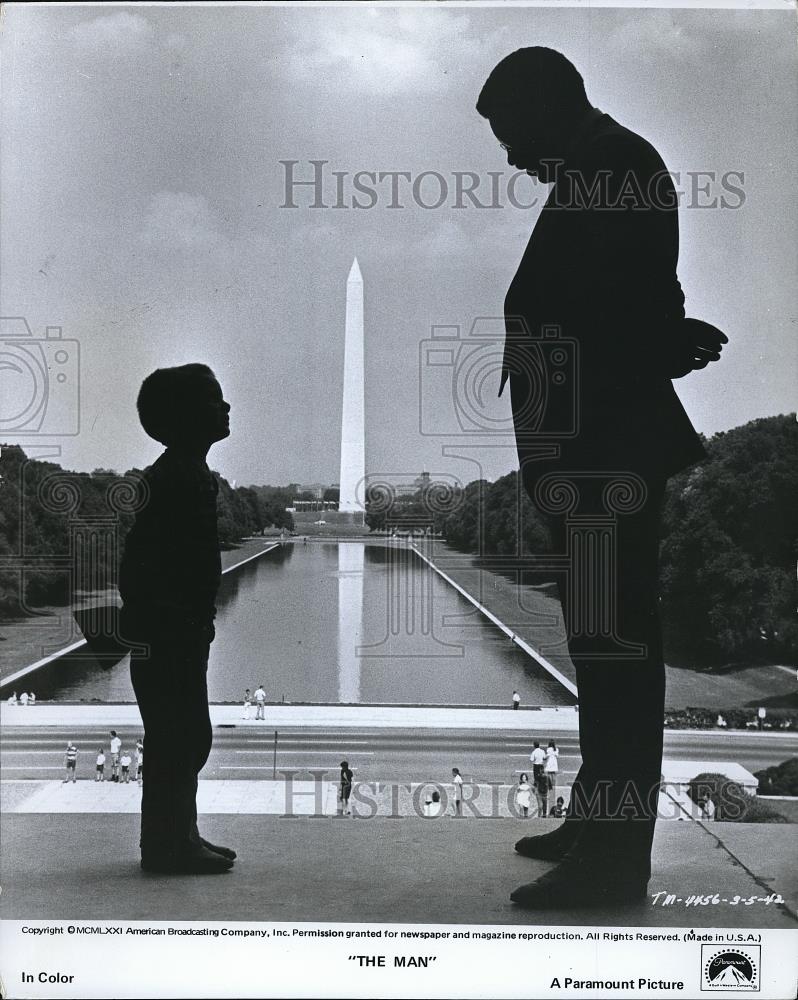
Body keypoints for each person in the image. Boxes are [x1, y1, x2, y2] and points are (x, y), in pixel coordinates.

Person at [477, 48, 726, 908]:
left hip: (604, 451)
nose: (509, 156)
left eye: (512, 135)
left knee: (616, 648)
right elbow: (637, 303)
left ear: (550, 107)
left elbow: (632, 307)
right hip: (583, 449)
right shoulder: (597, 166)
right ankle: (597, 818)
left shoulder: (617, 165)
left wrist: (665, 338)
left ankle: (616, 858)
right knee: (597, 645)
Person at [118, 363, 235, 874]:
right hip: (169, 632)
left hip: (182, 629)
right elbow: (140, 565)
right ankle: (166, 846)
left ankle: (181, 833)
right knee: (176, 738)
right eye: (214, 399)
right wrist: (171, 620)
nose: (225, 407)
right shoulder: (173, 479)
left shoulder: (190, 474)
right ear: (186, 417)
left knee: (189, 735)